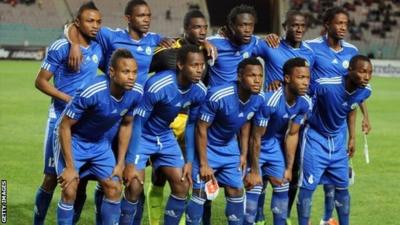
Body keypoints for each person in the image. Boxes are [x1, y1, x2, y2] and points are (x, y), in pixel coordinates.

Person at [53, 48, 143, 225]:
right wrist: (70, 167)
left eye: (134, 72)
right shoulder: (92, 91)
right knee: (70, 189)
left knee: (114, 187)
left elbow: (126, 124)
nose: (131, 76)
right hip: (74, 140)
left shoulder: (136, 93)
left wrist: (120, 163)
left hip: (100, 144)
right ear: (111, 72)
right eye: (126, 72)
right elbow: (64, 126)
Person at [33, 2, 102, 225]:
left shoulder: (99, 46)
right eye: (90, 21)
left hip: (85, 123)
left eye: (98, 21)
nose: (95, 26)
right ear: (78, 23)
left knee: (79, 181)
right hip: (60, 119)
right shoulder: (60, 47)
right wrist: (69, 99)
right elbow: (40, 82)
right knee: (52, 178)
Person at [122, 45, 207, 225]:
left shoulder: (199, 90)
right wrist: (130, 162)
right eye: (194, 65)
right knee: (134, 185)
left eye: (202, 65)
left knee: (182, 184)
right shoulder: (158, 85)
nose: (200, 70)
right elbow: (138, 122)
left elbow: (191, 124)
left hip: (165, 135)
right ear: (180, 65)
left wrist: (189, 161)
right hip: (142, 134)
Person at [305, 7, 371, 224]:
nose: (343, 27)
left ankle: (327, 219)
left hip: (339, 122)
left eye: (346, 24)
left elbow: (356, 91)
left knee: (335, 178)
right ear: (327, 24)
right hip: (315, 119)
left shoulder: (351, 50)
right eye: (339, 23)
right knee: (307, 176)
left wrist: (365, 116)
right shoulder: (312, 48)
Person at [251, 11, 315, 225]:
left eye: (302, 25)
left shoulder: (309, 53)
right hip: (268, 115)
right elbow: (246, 54)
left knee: (290, 172)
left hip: (290, 117)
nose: (298, 29)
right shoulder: (271, 44)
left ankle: (283, 215)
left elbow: (309, 80)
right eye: (294, 25)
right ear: (285, 25)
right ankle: (257, 215)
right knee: (259, 176)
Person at [146, 9, 209, 225]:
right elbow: (153, 64)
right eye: (196, 27)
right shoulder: (169, 48)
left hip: (189, 120)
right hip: (162, 121)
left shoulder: (207, 53)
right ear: (186, 29)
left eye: (204, 28)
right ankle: (155, 221)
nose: (201, 31)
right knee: (158, 176)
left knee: (183, 177)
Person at [185, 57, 265, 225]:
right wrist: (204, 163)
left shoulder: (258, 98)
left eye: (260, 75)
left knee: (236, 190)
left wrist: (243, 154)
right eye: (252, 75)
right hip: (208, 148)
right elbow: (201, 128)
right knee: (200, 194)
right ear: (240, 76)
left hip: (230, 148)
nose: (257, 80)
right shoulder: (218, 95)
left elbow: (245, 123)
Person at [297, 55, 373, 225]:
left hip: (338, 142)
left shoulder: (365, 90)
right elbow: (302, 91)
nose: (367, 77)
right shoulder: (326, 86)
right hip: (315, 139)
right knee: (307, 188)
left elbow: (352, 106)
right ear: (350, 70)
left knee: (342, 188)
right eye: (362, 72)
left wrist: (353, 137)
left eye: (370, 72)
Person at [243, 57, 311, 225]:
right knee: (254, 189)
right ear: (287, 79)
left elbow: (293, 135)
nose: (306, 83)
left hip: (272, 144)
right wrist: (254, 171)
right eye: (300, 78)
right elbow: (255, 137)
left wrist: (288, 168)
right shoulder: (270, 101)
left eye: (307, 78)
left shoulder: (304, 103)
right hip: (255, 144)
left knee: (282, 186)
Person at [207, 4, 259, 87]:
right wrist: (203, 42)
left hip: (241, 96)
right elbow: (183, 43)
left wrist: (278, 80)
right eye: (242, 25)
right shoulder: (214, 42)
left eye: (251, 25)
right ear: (232, 26)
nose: (248, 30)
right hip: (219, 96)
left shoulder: (254, 42)